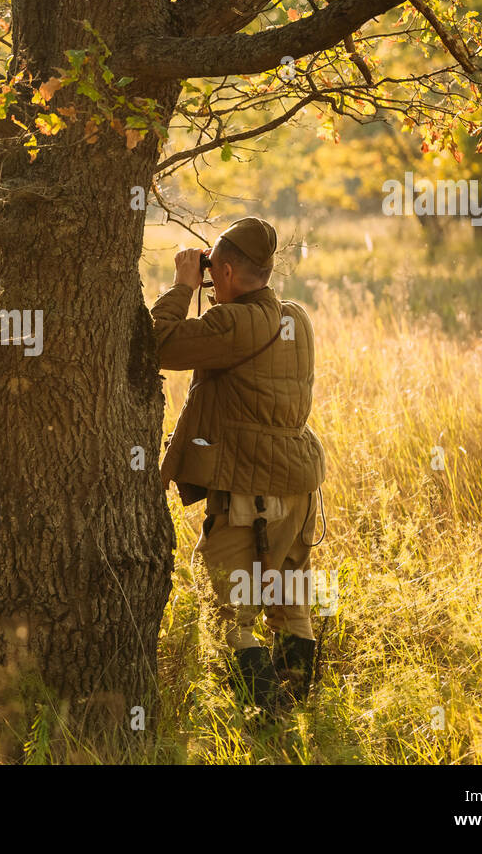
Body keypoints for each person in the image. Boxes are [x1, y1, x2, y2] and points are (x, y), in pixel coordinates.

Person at [150, 217, 326, 718]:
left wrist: (184, 286)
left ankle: (268, 720)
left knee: (228, 605)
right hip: (298, 483)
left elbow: (159, 343)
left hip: (254, 488)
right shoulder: (295, 316)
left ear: (223, 269)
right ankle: (298, 714)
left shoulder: (234, 324)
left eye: (212, 271)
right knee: (289, 598)